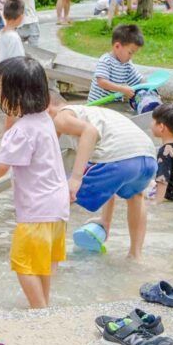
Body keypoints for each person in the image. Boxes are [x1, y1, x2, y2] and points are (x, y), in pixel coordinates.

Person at [0, 57, 69, 308]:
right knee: (43, 264)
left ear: (14, 94)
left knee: (23, 264)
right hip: (58, 208)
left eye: (0, 87)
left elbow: (0, 168)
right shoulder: (44, 121)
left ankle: (39, 311)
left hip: (36, 210)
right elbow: (9, 157)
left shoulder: (22, 130)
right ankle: (43, 306)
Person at [49, 92, 157, 260]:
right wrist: (105, 220)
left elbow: (90, 133)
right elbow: (109, 182)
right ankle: (135, 255)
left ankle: (51, 255)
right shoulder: (96, 113)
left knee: (61, 198)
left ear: (47, 109)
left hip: (118, 159)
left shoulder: (61, 116)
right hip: (148, 157)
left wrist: (76, 178)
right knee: (136, 196)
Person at [88, 24, 159, 113]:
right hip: (97, 106)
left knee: (131, 112)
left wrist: (152, 90)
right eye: (130, 52)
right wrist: (122, 89)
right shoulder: (106, 60)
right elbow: (101, 82)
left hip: (114, 104)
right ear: (117, 46)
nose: (131, 56)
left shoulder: (127, 64)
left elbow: (140, 81)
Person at [0, 0, 26, 65]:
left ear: (3, 15)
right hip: (13, 73)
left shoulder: (2, 32)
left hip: (4, 70)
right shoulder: (13, 37)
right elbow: (19, 62)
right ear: (21, 17)